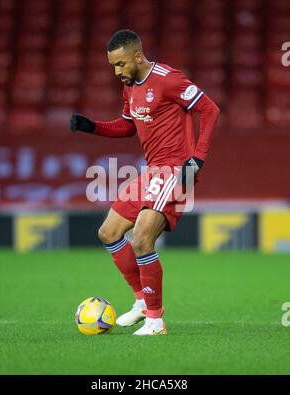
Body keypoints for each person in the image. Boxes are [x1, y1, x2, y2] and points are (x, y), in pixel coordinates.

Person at [70, 29, 220, 335]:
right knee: (109, 232)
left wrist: (198, 158)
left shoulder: (168, 79)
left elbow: (210, 109)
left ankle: (155, 321)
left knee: (141, 239)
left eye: (121, 64)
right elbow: (127, 127)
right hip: (152, 171)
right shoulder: (130, 87)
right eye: (113, 66)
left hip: (176, 170)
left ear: (138, 56)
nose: (117, 72)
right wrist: (92, 127)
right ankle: (141, 301)